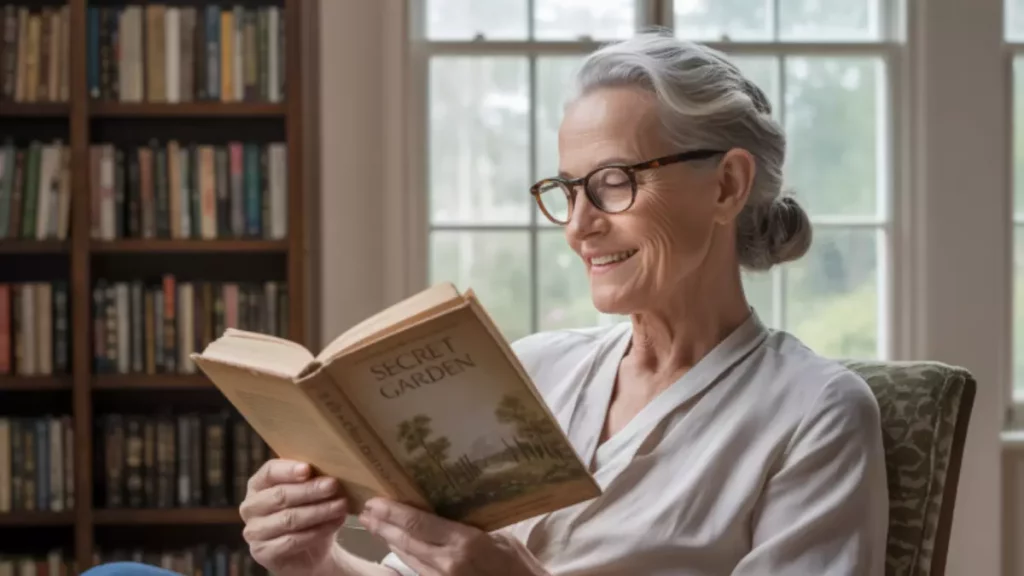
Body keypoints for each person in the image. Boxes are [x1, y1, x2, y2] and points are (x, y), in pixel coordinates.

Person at [86, 31, 889, 576]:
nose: (579, 225)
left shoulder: (814, 412)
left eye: (615, 182)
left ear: (727, 184)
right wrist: (315, 558)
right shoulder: (534, 368)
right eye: (568, 190)